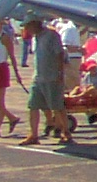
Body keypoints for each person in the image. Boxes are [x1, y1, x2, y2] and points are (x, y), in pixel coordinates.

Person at [18, 14, 71, 146]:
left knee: (57, 106)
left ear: (35, 23)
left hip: (52, 77)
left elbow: (59, 54)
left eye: (28, 26)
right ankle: (34, 135)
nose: (27, 29)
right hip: (38, 77)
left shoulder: (51, 35)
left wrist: (60, 73)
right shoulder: (36, 37)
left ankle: (66, 131)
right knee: (33, 106)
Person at [55, 19, 83, 93]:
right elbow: (65, 46)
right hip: (71, 59)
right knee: (71, 84)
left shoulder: (73, 29)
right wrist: (80, 50)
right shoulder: (70, 29)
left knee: (75, 83)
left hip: (74, 59)